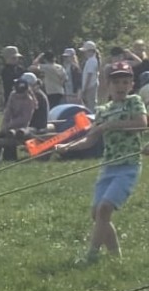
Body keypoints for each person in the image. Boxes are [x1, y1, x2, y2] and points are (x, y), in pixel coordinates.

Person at [58, 61, 146, 262]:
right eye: (116, 82)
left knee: (104, 208)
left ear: (131, 84)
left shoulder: (134, 102)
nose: (121, 86)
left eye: (125, 82)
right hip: (108, 167)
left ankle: (91, 255)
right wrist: (67, 147)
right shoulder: (102, 110)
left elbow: (141, 124)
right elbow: (90, 140)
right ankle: (116, 256)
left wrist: (110, 125)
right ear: (108, 84)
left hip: (128, 166)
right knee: (97, 214)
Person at [0, 71, 38, 163]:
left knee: (15, 134)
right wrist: (4, 124)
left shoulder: (29, 101)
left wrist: (10, 125)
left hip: (24, 126)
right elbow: (8, 111)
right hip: (11, 125)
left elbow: (24, 118)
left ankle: (12, 157)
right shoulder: (12, 95)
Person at [79, 40, 100, 109]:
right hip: (90, 86)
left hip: (90, 87)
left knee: (91, 106)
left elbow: (89, 76)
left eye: (85, 51)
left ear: (90, 51)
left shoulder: (92, 61)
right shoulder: (90, 60)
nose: (84, 53)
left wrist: (84, 89)